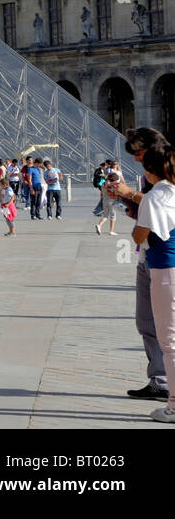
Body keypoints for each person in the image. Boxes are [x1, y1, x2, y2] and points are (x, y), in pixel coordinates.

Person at [106, 128, 170, 401]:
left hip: (165, 259)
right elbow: (146, 212)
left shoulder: (169, 172)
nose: (135, 160)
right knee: (146, 321)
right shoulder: (150, 175)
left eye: (139, 153)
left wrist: (129, 194)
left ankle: (167, 382)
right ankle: (159, 379)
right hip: (149, 255)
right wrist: (123, 198)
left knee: (166, 327)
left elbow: (162, 205)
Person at [131, 144, 175, 422]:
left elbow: (139, 237)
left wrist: (136, 221)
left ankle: (173, 405)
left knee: (169, 340)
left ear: (149, 171)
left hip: (165, 270)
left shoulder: (152, 197)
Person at [97, 164, 122, 236]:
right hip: (112, 201)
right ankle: (111, 231)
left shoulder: (103, 184)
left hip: (104, 200)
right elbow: (117, 192)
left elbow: (101, 193)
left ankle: (99, 225)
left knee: (105, 215)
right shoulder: (114, 185)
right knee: (113, 215)